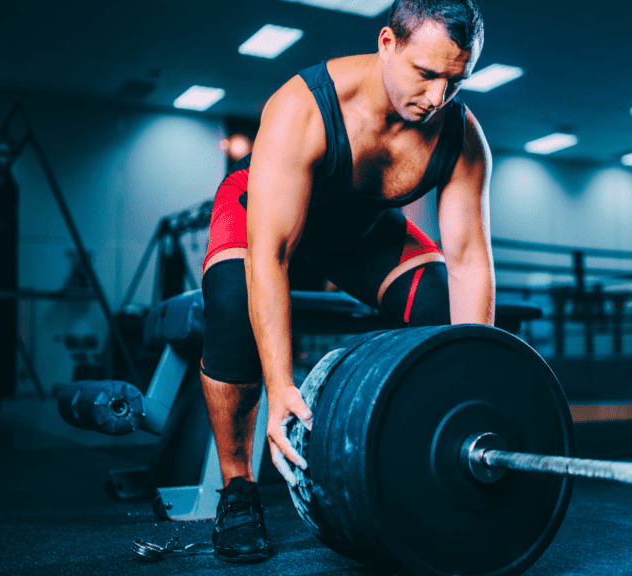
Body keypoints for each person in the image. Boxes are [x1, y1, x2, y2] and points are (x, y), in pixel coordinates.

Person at [198, 0, 493, 564]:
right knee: (233, 300)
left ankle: (412, 465)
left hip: (359, 232)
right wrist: (282, 383)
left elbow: (468, 261)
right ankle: (237, 488)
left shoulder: (459, 136)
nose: (437, 98)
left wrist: (474, 387)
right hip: (263, 215)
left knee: (441, 311)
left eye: (455, 81)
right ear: (387, 43)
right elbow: (273, 252)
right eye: (426, 74)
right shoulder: (302, 106)